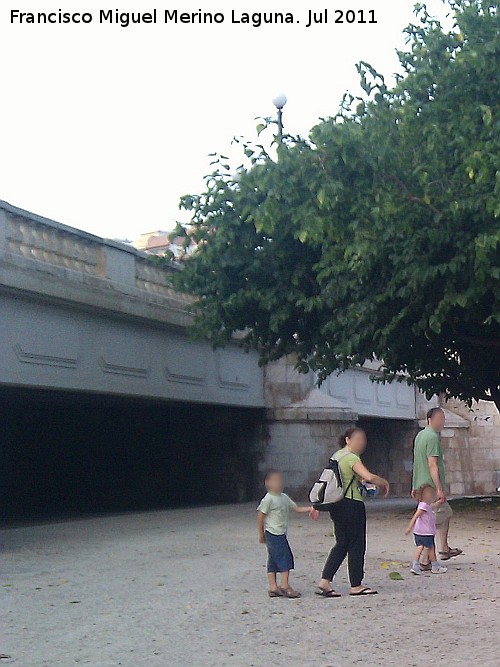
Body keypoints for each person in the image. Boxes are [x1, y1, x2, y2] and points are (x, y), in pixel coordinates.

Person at [312, 427, 390, 598]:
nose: (362, 442)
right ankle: (356, 584)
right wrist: (384, 482)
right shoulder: (351, 457)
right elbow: (368, 477)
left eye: (363, 439)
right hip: (352, 504)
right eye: (358, 438)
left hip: (337, 505)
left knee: (342, 543)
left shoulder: (336, 456)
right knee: (357, 544)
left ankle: (325, 580)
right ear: (347, 439)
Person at [412, 407, 462, 568]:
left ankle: (443, 549)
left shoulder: (420, 436)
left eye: (443, 418)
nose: (442, 422)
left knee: (443, 514)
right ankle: (426, 558)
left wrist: (415, 485)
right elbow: (432, 464)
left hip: (421, 485)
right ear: (429, 420)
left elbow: (417, 462)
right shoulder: (432, 437)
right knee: (433, 519)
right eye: (439, 418)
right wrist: (440, 488)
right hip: (430, 487)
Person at [257, 470, 317, 598]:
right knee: (285, 558)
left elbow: (296, 508)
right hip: (272, 533)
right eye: (275, 481)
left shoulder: (284, 497)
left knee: (273, 559)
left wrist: (310, 508)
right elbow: (261, 517)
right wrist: (261, 534)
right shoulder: (268, 499)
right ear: (267, 483)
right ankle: (284, 585)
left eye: (280, 481)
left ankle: (273, 587)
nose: (279, 483)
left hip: (281, 533)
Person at [405, 484, 448, 575]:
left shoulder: (424, 505)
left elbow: (432, 507)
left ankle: (415, 566)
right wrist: (409, 527)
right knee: (431, 548)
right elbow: (416, 516)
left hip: (419, 532)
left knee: (420, 547)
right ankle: (435, 566)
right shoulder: (423, 506)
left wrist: (439, 502)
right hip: (426, 532)